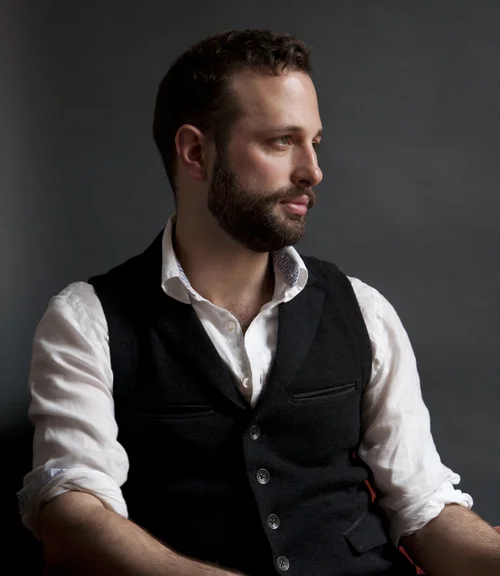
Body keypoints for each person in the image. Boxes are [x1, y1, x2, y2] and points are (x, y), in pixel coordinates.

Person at [18, 29, 500, 576]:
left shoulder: (363, 311)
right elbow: (73, 513)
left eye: (314, 143)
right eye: (281, 141)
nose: (312, 171)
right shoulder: (88, 320)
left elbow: (424, 507)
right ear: (196, 152)